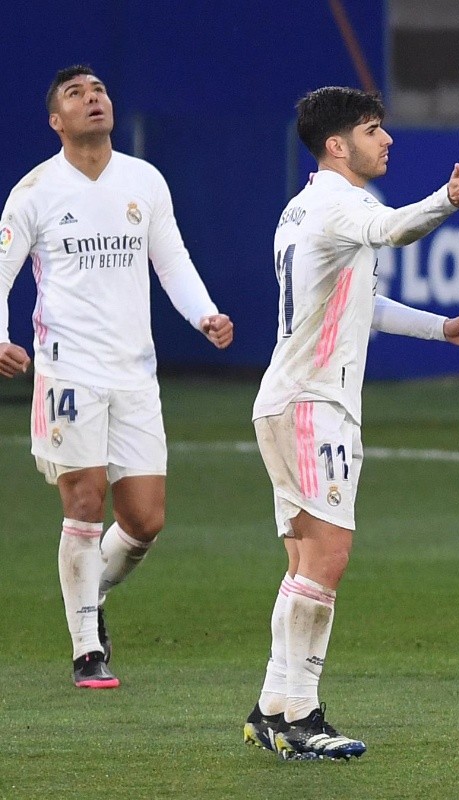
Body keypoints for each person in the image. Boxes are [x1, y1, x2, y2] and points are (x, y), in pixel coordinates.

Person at [242, 85, 459, 761]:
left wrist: (443, 328)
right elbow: (394, 229)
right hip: (312, 403)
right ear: (337, 144)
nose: (387, 141)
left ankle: (271, 708)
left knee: (304, 558)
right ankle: (303, 716)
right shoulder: (343, 202)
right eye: (374, 129)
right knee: (327, 558)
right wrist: (447, 201)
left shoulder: (301, 209)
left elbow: (364, 302)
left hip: (293, 398)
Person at [0, 65, 234, 689]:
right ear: (57, 121)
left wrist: (204, 312)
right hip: (66, 369)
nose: (93, 99)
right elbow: (2, 271)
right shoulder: (34, 192)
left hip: (136, 373)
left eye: (98, 90)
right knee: (83, 501)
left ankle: (86, 596)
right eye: (76, 94)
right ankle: (86, 649)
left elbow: (172, 259)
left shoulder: (144, 181)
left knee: (145, 520)